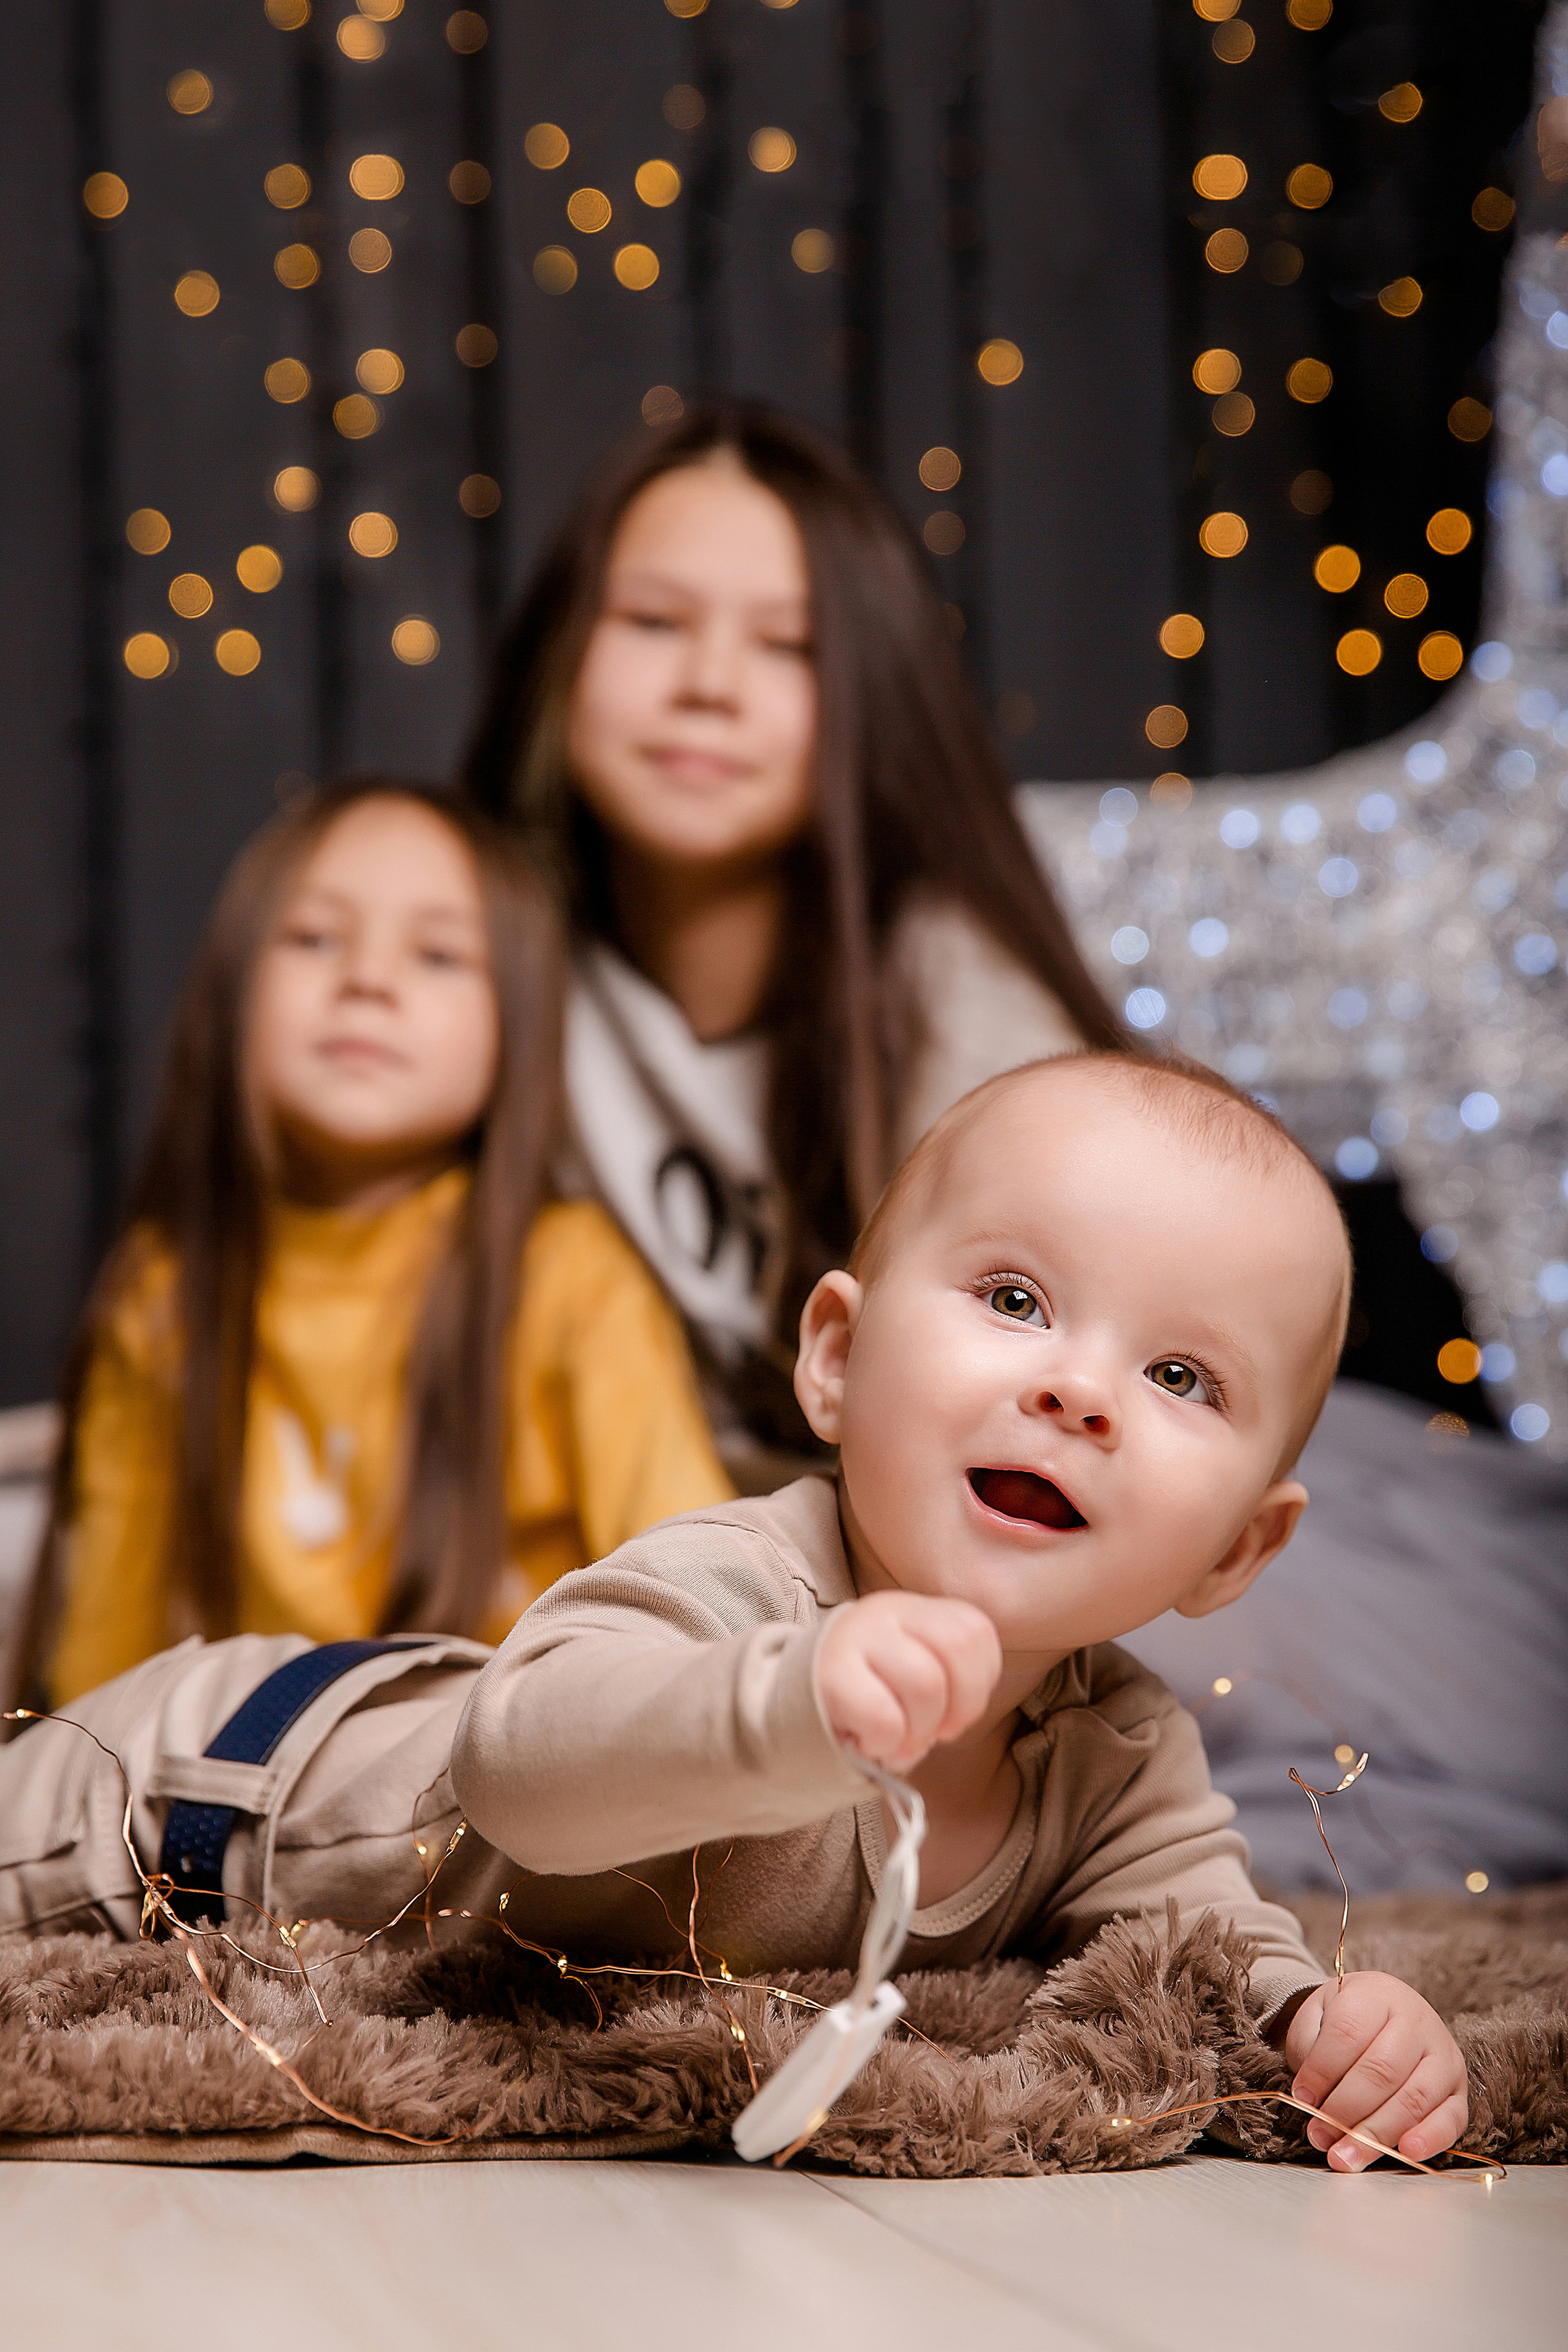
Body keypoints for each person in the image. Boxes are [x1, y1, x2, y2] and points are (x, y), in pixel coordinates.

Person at [0, 1054, 1466, 2173]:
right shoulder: (740, 1580)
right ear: (833, 1359)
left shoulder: (1114, 1748)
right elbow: (520, 1768)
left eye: (1178, 1377)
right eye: (1015, 1300)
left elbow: (1197, 1931)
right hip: (206, 1786)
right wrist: (784, 1699)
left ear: (1237, 1549)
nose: (1078, 1390)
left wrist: (1314, 2019)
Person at [462, 402, 1125, 1471]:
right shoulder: (469, 955)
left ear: (874, 696)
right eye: (653, 621)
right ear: (557, 650)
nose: (709, 686)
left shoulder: (966, 1014)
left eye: (790, 646)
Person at [19, 780, 733, 1708]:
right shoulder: (162, 1295)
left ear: (519, 1026)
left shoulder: (571, 1279)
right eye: (315, 939)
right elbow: (102, 1663)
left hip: (510, 1773)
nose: (368, 980)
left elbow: (700, 1594)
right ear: (230, 993)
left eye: (438, 955)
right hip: (266, 1781)